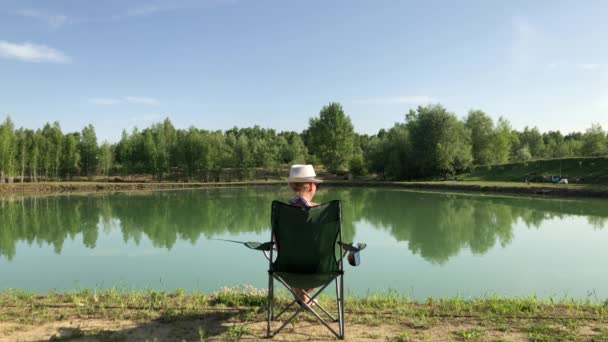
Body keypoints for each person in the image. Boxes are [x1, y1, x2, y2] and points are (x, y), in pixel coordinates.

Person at [286, 164, 323, 306]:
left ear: (291, 186)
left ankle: (302, 297)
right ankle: (305, 297)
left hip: (287, 269)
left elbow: (278, 245)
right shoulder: (323, 211)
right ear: (312, 186)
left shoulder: (281, 211)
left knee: (293, 257)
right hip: (321, 270)